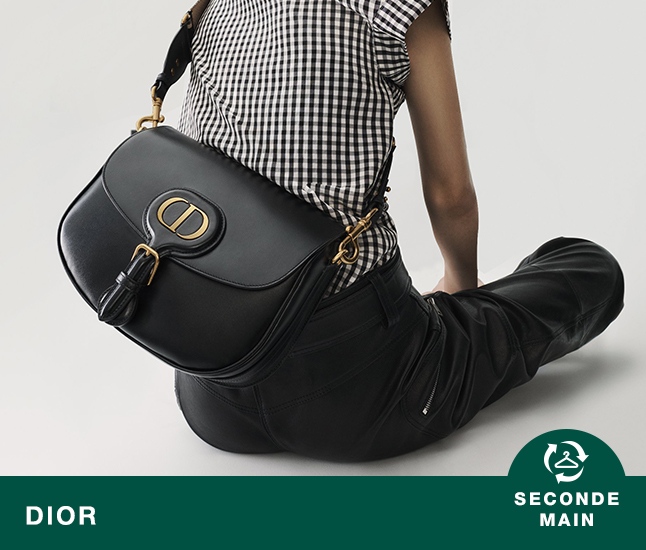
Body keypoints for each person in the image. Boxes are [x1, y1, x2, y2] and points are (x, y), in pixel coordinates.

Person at [174, 0, 625, 462]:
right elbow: (451, 196)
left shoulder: (217, 5)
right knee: (591, 267)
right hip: (362, 385)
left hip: (211, 383)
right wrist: (460, 285)